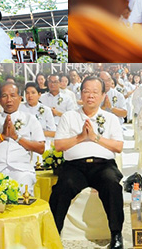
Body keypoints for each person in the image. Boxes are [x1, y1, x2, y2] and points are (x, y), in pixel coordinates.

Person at [51, 76, 125, 249]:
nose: (90, 96)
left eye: (95, 92)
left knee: (112, 184)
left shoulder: (110, 118)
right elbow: (59, 145)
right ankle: (53, 234)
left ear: (103, 95)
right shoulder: (69, 116)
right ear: (81, 94)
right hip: (74, 166)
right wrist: (81, 137)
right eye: (86, 91)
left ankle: (116, 235)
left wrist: (95, 138)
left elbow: (119, 147)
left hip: (103, 165)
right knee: (62, 187)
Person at [0, 82, 46, 193]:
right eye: (4, 96)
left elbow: (40, 148)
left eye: (13, 95)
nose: (9, 100)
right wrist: (2, 136)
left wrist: (15, 136)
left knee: (23, 188)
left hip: (21, 170)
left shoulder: (30, 119)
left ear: (20, 98)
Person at [20, 82, 57, 149]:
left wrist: (36, 132)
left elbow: (53, 133)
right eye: (27, 93)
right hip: (23, 143)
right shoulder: (20, 108)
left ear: (39, 95)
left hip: (42, 143)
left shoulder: (46, 110)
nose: (30, 95)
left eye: (33, 93)